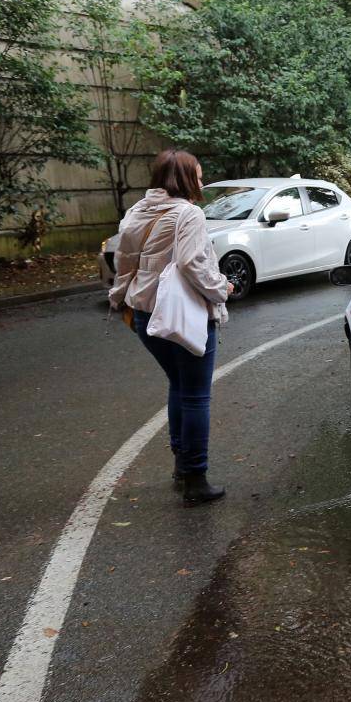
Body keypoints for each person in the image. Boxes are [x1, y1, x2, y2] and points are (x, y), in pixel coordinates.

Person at [109, 149, 232, 504]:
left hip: (144, 313)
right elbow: (193, 263)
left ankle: (182, 466)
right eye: (198, 174)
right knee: (196, 395)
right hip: (180, 313)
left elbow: (124, 260)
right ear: (183, 178)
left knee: (179, 386)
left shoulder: (136, 211)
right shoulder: (188, 214)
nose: (202, 181)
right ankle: (195, 478)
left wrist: (119, 298)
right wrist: (221, 289)